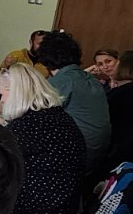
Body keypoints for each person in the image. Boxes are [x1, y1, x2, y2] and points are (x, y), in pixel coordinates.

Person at [0, 64, 87, 214]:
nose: (1, 100)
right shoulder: (51, 115)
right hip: (61, 210)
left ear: (16, 94)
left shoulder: (28, 126)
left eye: (1, 95)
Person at [35, 31, 111, 168]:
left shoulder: (62, 82)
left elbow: (34, 115)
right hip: (98, 154)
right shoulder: (90, 79)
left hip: (76, 157)